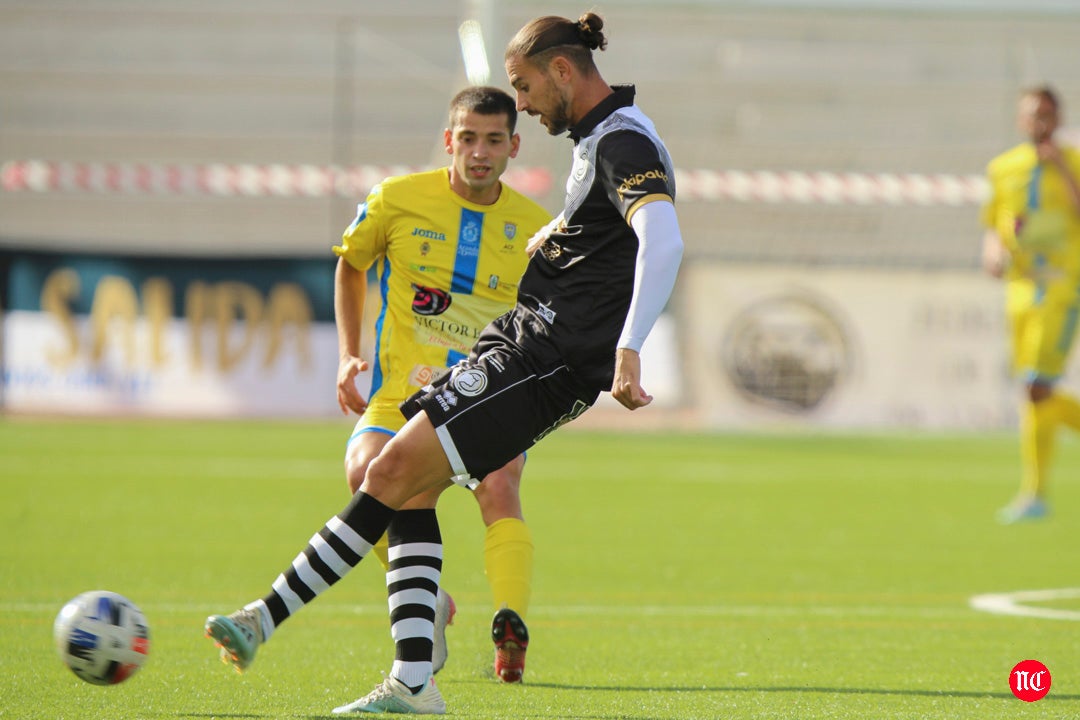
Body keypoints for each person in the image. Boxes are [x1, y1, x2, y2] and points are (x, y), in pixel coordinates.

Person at [204, 11, 683, 715]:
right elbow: (609, 236)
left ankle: (264, 620)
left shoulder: (622, 140)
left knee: (393, 471)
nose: (520, 102)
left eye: (523, 87)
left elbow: (662, 242)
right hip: (523, 344)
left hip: (546, 359)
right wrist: (559, 236)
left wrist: (630, 346)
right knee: (405, 482)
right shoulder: (605, 137)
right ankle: (413, 682)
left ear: (561, 71)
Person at [332, 85, 549, 683]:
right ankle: (429, 601)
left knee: (499, 486)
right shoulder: (397, 200)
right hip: (401, 389)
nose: (480, 152)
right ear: (450, 140)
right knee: (365, 473)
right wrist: (349, 354)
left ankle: (510, 619)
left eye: (495, 140)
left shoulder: (536, 230)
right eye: (469, 138)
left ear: (514, 147)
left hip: (492, 391)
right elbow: (352, 262)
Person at [981, 84, 1080, 524]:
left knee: (1037, 386)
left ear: (1058, 119)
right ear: (1021, 120)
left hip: (1062, 287)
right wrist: (991, 251)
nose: (1039, 121)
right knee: (1033, 393)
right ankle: (1034, 495)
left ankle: (1034, 493)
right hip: (1020, 289)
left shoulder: (1074, 163)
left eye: (1047, 114)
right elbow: (994, 222)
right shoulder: (1003, 168)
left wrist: (1061, 168)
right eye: (1032, 114)